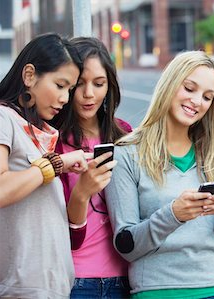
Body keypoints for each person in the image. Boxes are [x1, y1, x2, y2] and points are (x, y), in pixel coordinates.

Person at [105, 51, 214, 299]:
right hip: (158, 288)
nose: (196, 101)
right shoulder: (126, 154)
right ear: (170, 84)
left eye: (207, 97)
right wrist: (173, 215)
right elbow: (126, 245)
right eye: (189, 88)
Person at [0, 33, 90, 298]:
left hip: (54, 286)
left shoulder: (39, 132)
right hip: (19, 289)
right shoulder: (4, 118)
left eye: (69, 89)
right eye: (60, 85)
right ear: (29, 75)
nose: (65, 98)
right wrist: (55, 164)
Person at [52, 37, 132, 298]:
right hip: (76, 280)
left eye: (98, 84)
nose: (89, 94)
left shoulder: (125, 134)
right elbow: (67, 235)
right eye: (79, 84)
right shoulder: (53, 142)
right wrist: (82, 192)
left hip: (124, 278)